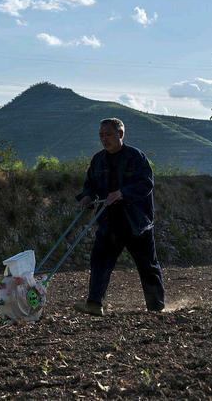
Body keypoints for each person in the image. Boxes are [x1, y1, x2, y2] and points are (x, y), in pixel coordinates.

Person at [74, 118, 165, 316]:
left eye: (108, 135)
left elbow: (146, 184)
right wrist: (86, 196)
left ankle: (156, 307)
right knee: (99, 262)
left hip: (136, 223)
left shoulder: (136, 157)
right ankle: (94, 303)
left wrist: (122, 193)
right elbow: (90, 184)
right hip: (109, 222)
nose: (104, 139)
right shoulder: (98, 160)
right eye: (101, 135)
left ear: (120, 134)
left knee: (147, 266)